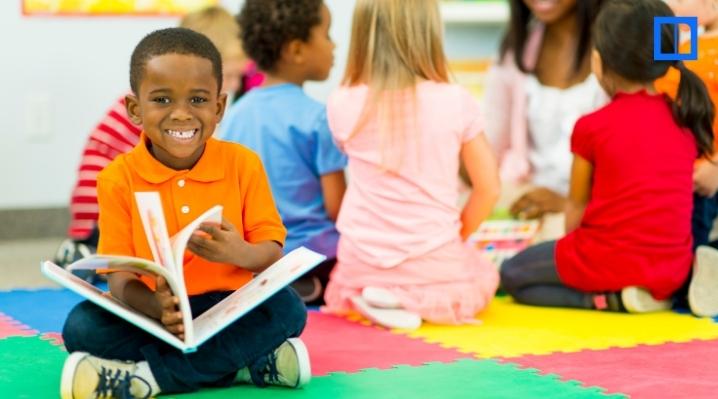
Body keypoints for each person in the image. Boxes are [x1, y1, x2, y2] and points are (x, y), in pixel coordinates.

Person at [59, 28, 310, 399]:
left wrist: (238, 253)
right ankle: (244, 363)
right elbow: (119, 280)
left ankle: (146, 379)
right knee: (81, 327)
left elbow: (271, 252)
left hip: (228, 306)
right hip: (158, 314)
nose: (181, 114)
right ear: (135, 109)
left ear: (219, 107)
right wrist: (159, 308)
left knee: (288, 309)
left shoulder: (244, 164)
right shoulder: (116, 178)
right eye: (161, 99)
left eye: (197, 99)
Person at [501, 0, 716, 315]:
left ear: (598, 63)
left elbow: (576, 207)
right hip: (673, 269)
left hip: (605, 259)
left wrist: (572, 259)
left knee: (513, 274)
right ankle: (646, 291)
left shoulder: (591, 126)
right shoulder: (685, 120)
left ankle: (605, 299)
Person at [323, 0, 500, 329]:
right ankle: (404, 299)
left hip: (360, 263)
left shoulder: (341, 101)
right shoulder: (455, 100)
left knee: (361, 282)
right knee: (484, 274)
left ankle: (383, 296)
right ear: (429, 33)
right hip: (432, 261)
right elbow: (488, 188)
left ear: (363, 35)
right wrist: (457, 236)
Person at [56, 6, 250, 276]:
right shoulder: (158, 110)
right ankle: (87, 248)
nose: (236, 85)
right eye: (228, 76)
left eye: (238, 76)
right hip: (101, 213)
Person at [220, 0, 346, 305]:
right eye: (327, 34)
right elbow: (337, 208)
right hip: (316, 255)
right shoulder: (319, 118)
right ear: (297, 50)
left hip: (259, 255)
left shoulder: (237, 113)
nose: (334, 45)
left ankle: (276, 282)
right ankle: (306, 283)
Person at [482, 0, 606, 235]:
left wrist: (570, 203)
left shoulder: (624, 45)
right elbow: (489, 147)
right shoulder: (513, 54)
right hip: (530, 205)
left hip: (598, 213)